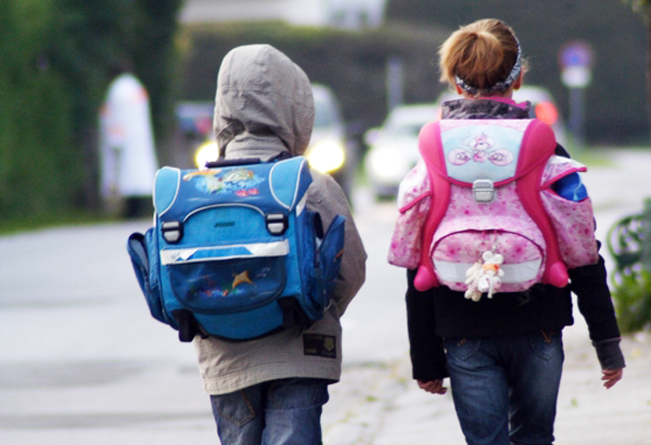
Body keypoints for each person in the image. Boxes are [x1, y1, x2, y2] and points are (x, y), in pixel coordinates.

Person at [392, 19, 625, 444]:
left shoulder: (433, 155)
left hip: (462, 328)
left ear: (456, 84)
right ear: (519, 78)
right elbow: (582, 251)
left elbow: (415, 259)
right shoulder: (546, 149)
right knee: (535, 438)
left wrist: (425, 359)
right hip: (538, 323)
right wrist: (606, 342)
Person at [195, 44, 367, 445]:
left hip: (226, 357)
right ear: (294, 104)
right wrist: (315, 306)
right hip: (300, 352)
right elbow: (352, 268)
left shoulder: (196, 190)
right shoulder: (312, 185)